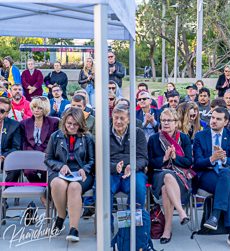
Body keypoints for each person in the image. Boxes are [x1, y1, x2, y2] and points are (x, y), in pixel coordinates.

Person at [193, 107, 230, 251]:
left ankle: (215, 215)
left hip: (227, 172)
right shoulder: (200, 136)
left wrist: (223, 158)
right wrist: (212, 159)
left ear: (226, 122)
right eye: (213, 117)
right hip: (207, 173)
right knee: (226, 187)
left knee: (226, 173)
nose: (214, 121)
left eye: (218, 119)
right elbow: (197, 163)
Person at [45, 107, 95, 241]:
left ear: (81, 124)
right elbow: (48, 159)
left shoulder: (87, 138)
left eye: (75, 124)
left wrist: (85, 168)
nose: (72, 127)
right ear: (64, 122)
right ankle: (61, 216)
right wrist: (61, 165)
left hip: (81, 173)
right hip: (59, 171)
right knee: (58, 184)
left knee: (74, 187)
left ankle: (74, 229)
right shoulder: (55, 136)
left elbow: (92, 160)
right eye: (69, 123)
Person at [148, 109, 193, 244]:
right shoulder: (154, 139)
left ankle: (167, 230)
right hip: (158, 174)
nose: (166, 123)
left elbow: (189, 162)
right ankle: (181, 212)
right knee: (167, 175)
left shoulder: (184, 138)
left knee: (166, 189)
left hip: (180, 176)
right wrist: (164, 159)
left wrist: (175, 157)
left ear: (176, 122)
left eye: (169, 120)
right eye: (163, 120)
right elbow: (149, 162)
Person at [107, 104, 148, 238]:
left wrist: (133, 166)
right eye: (116, 118)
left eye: (122, 118)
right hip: (111, 172)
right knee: (103, 189)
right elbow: (99, 159)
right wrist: (114, 167)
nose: (118, 121)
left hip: (133, 171)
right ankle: (108, 228)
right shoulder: (104, 133)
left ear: (129, 120)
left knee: (137, 187)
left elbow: (143, 158)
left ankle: (129, 229)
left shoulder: (137, 133)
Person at [20, 96, 59, 184]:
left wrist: (46, 153)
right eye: (34, 107)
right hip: (30, 154)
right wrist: (30, 153)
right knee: (28, 172)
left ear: (45, 109)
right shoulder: (24, 123)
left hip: (47, 154)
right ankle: (41, 193)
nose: (36, 110)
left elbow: (54, 141)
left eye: (40, 108)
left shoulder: (54, 122)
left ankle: (44, 193)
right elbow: (24, 142)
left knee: (47, 171)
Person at [0, 96, 22, 185]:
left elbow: (16, 147)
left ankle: (3, 192)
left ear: (7, 113)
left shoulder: (15, 125)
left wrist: (3, 157)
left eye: (1, 111)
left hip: (5, 158)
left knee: (15, 169)